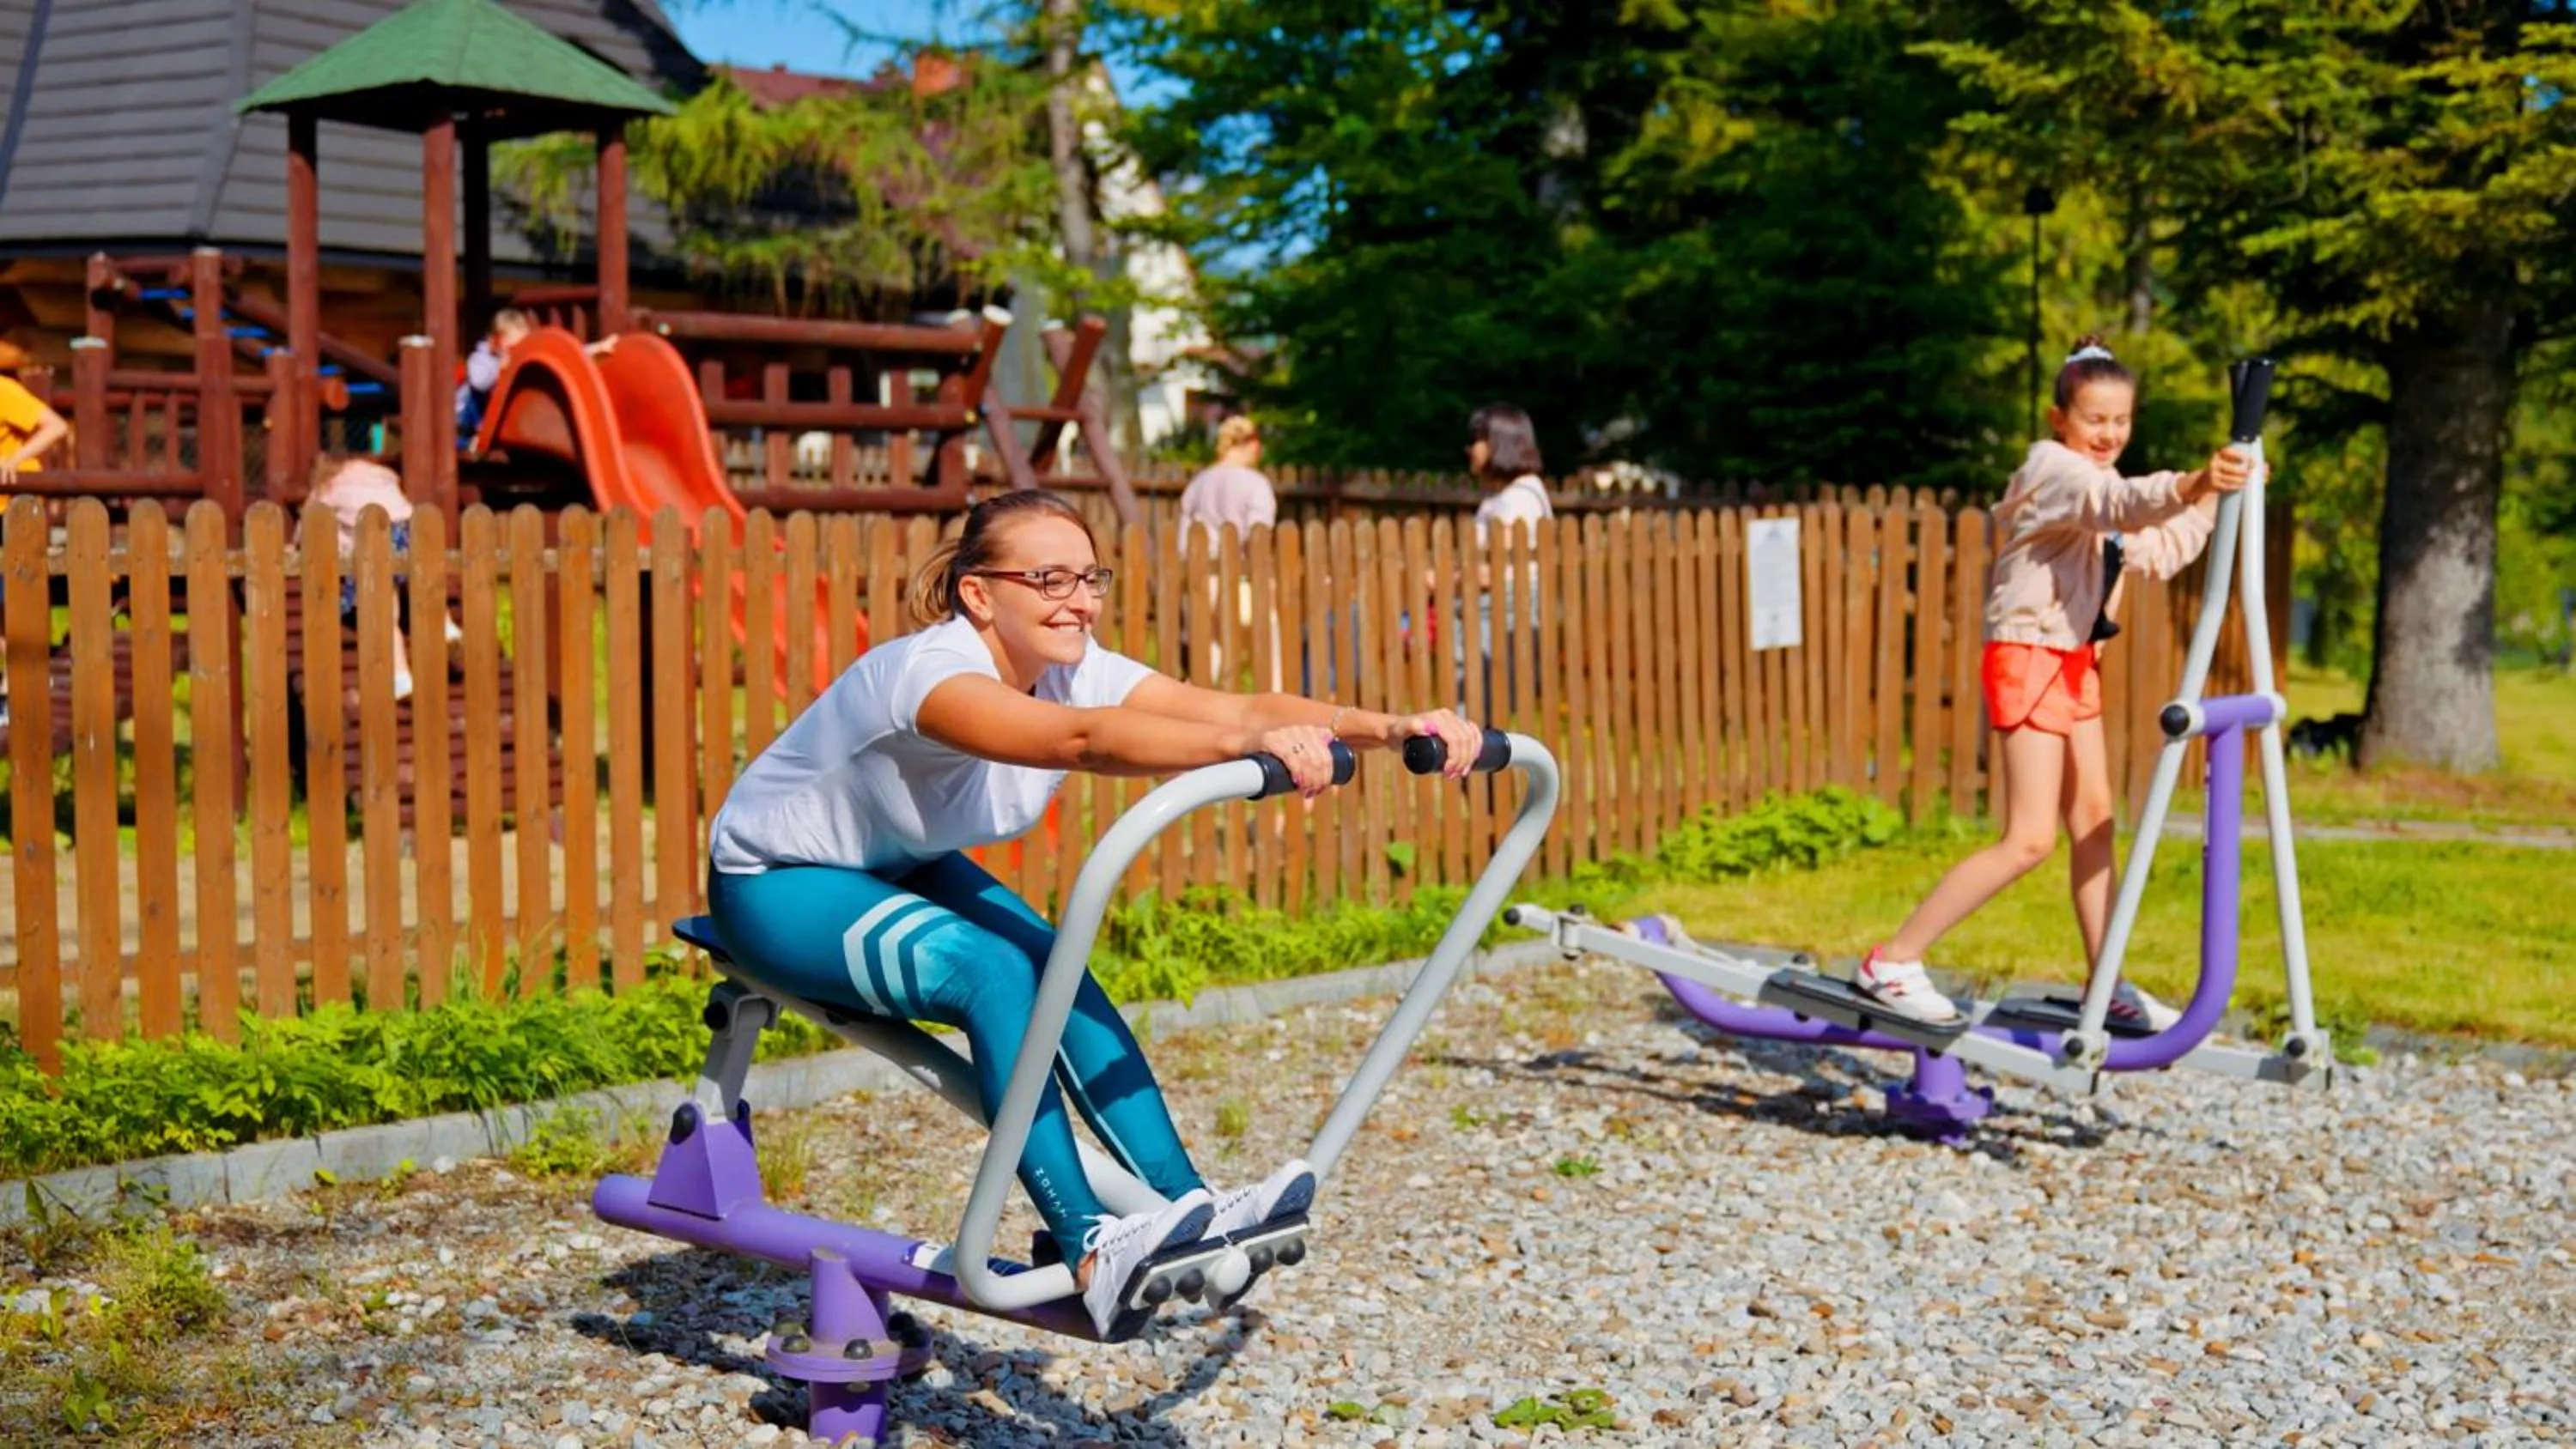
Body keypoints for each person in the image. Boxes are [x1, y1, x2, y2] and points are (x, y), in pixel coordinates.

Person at [703, 488, 1486, 1334]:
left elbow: (1233, 707)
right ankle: (1091, 1247)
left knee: (1056, 964)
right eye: (1048, 579)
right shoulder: (925, 675)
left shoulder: (1074, 664)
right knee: (992, 970)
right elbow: (1080, 740)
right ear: (979, 593)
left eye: (1089, 577)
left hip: (898, 863)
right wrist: (1247, 747)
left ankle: (1188, 1205)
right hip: (777, 883)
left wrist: (1385, 725)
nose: (1078, 600)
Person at [1853, 336, 2248, 1028]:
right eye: (2095, 419)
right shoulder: (2054, 471)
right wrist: (2193, 482)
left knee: (2094, 823)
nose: (2109, 434)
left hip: (2072, 662)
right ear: (2059, 417)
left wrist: (2220, 498)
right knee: (2030, 838)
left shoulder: (2098, 500)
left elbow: (2157, 549)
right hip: (2028, 655)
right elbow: (2121, 505)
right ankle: (1892, 960)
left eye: (2121, 421)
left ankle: (2108, 983)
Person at [1458, 403, 1553, 716]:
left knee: (1479, 710)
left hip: (1499, 617)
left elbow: (1496, 570)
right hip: (1488, 614)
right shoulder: (1506, 496)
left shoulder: (1520, 500)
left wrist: (1443, 581)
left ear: (1500, 442)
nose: (1470, 449)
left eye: (1477, 440)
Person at [1176, 415, 1277, 548]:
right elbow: (1259, 534)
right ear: (1252, 444)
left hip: (1199, 564)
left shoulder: (1198, 482)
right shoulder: (1256, 484)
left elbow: (1183, 539)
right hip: (1240, 565)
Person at [456, 308, 532, 449]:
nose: (513, 353)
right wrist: (499, 369)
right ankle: (467, 442)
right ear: (494, 341)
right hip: (467, 419)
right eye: (510, 348)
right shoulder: (480, 359)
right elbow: (479, 382)